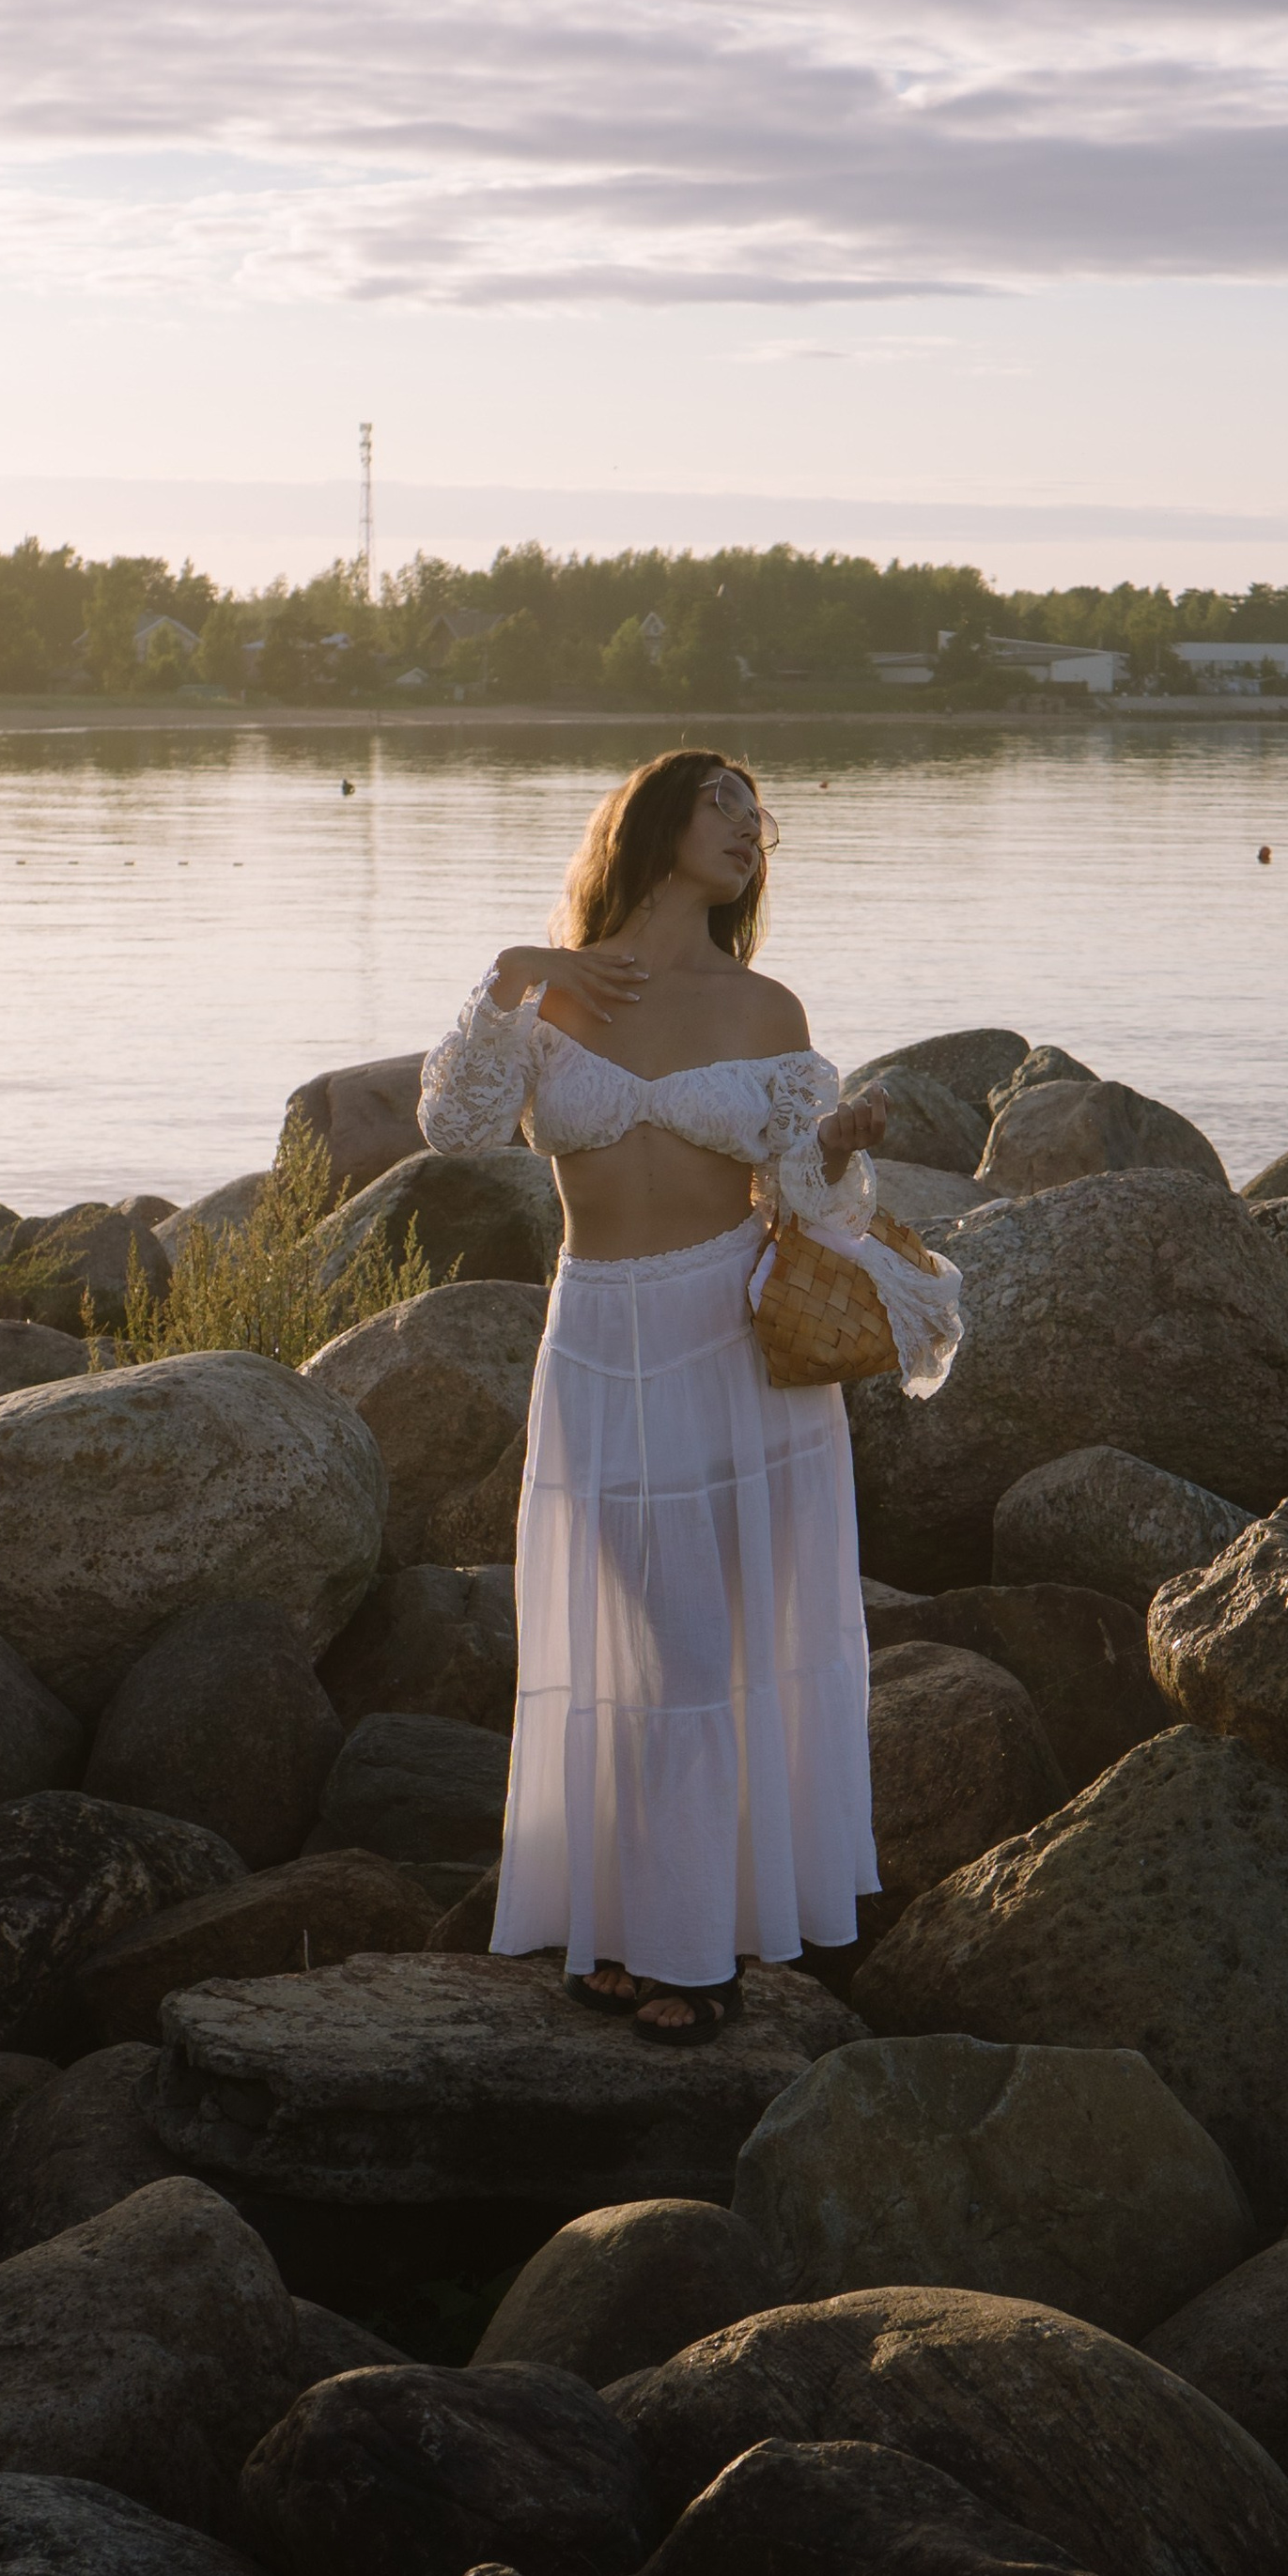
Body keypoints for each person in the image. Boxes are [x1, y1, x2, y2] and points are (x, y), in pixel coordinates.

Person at [417, 748, 963, 2042]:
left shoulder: (768, 1010)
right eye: (724, 805)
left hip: (729, 1343)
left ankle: (687, 1951)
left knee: (701, 1647)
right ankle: (618, 1932)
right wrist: (522, 974)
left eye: (758, 821)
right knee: (625, 1641)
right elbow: (450, 1121)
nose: (746, 833)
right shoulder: (552, 998)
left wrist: (834, 1145)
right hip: (599, 1338)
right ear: (654, 822)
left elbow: (812, 1208)